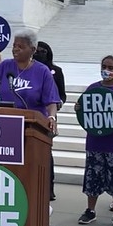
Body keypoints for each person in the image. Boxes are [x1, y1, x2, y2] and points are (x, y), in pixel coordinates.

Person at [76, 55, 113, 226]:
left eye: (110, 67)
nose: (106, 70)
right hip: (95, 142)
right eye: (104, 66)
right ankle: (90, 211)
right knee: (92, 178)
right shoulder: (92, 88)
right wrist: (78, 108)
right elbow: (84, 112)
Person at [0, 30, 60, 139]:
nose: (15, 49)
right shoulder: (5, 66)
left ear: (32, 50)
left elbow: (51, 101)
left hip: (33, 128)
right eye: (14, 46)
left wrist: (51, 117)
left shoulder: (43, 71)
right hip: (5, 125)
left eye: (20, 47)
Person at [35, 40, 67, 201]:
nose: (39, 53)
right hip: (30, 115)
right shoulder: (29, 70)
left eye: (43, 51)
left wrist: (56, 105)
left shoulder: (56, 71)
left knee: (47, 153)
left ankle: (49, 188)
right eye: (37, 50)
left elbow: (62, 94)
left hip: (48, 116)